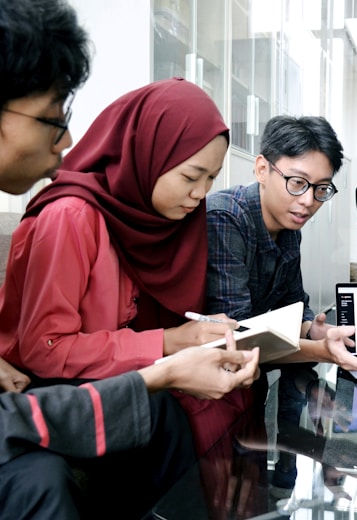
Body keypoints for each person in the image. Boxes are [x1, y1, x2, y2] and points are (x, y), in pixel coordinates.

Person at [0, 3, 258, 517]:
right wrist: (170, 346)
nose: (200, 195)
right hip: (54, 385)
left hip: (81, 380)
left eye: (210, 181)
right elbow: (44, 348)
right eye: (190, 177)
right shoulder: (73, 216)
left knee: (180, 413)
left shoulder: (141, 219)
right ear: (148, 154)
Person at [205, 115, 357, 493]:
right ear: (262, 168)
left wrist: (313, 327)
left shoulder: (288, 226)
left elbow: (295, 304)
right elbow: (239, 336)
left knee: (257, 491)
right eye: (297, 183)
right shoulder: (226, 219)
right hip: (209, 391)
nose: (308, 201)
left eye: (321, 189)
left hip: (250, 389)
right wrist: (323, 350)